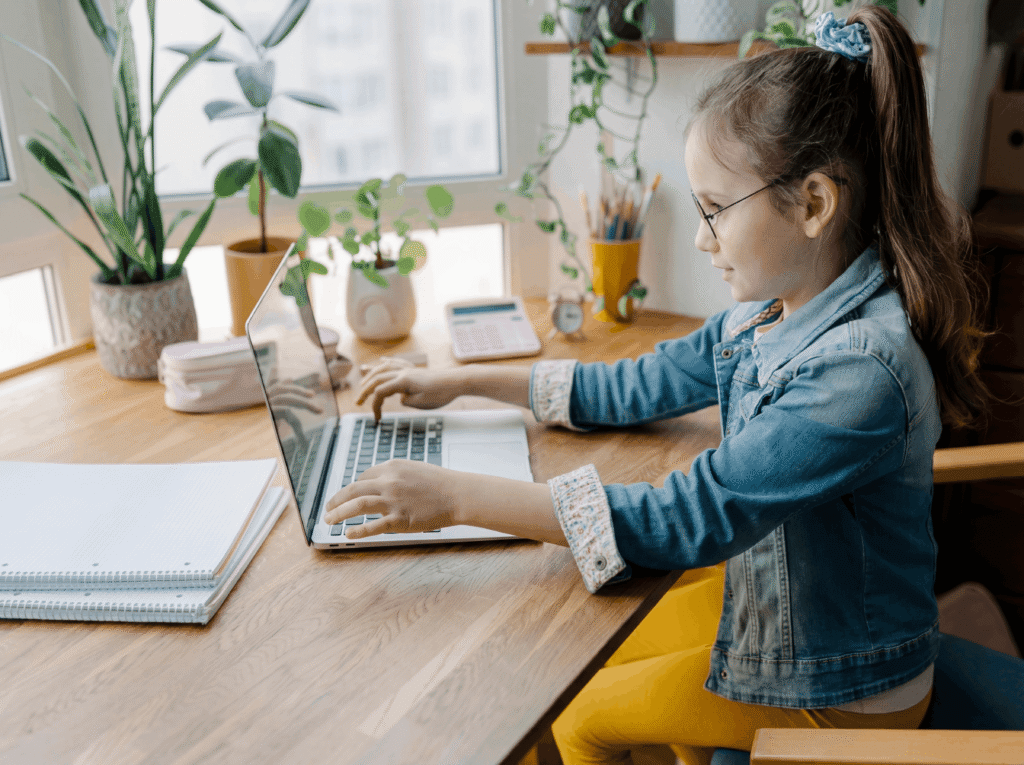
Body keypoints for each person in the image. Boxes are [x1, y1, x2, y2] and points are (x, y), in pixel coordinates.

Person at [324, 6, 991, 764]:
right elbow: (639, 383)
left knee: (576, 717)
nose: (702, 237)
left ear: (813, 204)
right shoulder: (780, 309)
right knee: (597, 655)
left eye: (714, 211)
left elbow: (689, 515)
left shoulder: (857, 371)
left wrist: (453, 497)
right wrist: (458, 381)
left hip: (843, 690)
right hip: (793, 614)